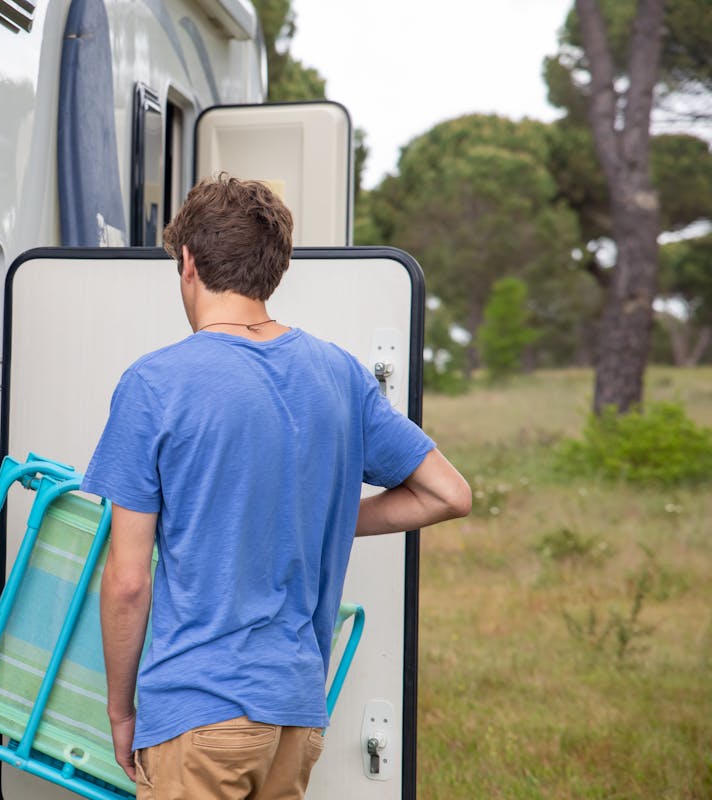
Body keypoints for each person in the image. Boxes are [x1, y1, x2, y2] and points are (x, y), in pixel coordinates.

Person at [80, 174, 471, 799]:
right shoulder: (339, 373)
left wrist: (122, 711)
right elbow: (450, 494)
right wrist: (327, 510)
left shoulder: (156, 384)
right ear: (274, 268)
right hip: (293, 717)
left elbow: (128, 581)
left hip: (197, 713)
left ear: (187, 262)